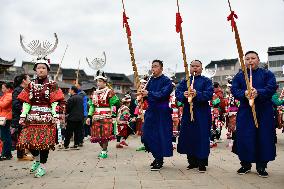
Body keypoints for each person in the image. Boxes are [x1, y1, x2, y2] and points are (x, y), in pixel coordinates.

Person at [231, 51, 277, 178]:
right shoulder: (240, 76)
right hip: (246, 111)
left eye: (253, 58)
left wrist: (258, 92)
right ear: (244, 61)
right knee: (245, 136)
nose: (250, 61)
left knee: (264, 137)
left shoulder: (267, 74)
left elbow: (272, 87)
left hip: (264, 110)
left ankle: (261, 166)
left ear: (258, 60)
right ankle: (245, 164)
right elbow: (234, 90)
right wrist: (245, 93)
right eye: (247, 59)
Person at [17, 57, 65, 177]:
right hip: (32, 118)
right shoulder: (30, 85)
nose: (41, 70)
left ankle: (42, 165)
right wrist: (23, 115)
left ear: (47, 70)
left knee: (44, 143)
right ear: (35, 70)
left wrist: (55, 114)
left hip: (47, 118)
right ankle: (37, 160)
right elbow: (26, 102)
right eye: (38, 68)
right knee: (27, 142)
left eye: (43, 68)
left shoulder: (52, 84)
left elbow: (55, 102)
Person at [176, 60, 213, 173]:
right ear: (189, 68)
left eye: (197, 66)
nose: (195, 68)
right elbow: (177, 93)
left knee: (201, 136)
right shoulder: (185, 81)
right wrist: (184, 94)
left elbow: (209, 94)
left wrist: (198, 94)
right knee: (189, 136)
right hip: (188, 112)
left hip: (202, 112)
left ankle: (202, 162)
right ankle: (192, 162)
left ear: (201, 69)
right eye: (192, 66)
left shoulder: (206, 81)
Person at [140, 59, 173, 171]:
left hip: (162, 111)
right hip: (151, 111)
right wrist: (141, 95)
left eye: (155, 66)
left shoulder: (167, 81)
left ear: (161, 68)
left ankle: (159, 159)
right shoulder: (150, 80)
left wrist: (149, 93)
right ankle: (156, 155)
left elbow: (163, 94)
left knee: (159, 135)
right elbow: (146, 95)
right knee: (146, 134)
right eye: (152, 66)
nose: (153, 68)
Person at [86, 70, 119, 159]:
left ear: (105, 82)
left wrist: (113, 116)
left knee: (105, 135)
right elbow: (92, 106)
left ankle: (104, 151)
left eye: (100, 81)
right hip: (96, 116)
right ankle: (104, 148)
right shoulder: (94, 93)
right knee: (97, 136)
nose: (98, 83)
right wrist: (89, 116)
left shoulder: (110, 92)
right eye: (97, 81)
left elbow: (114, 104)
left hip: (106, 116)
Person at [12, 74, 33, 160]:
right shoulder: (18, 90)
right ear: (24, 80)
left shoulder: (24, 90)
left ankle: (22, 154)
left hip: (24, 117)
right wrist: (26, 111)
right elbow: (16, 104)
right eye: (29, 79)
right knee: (22, 136)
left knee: (23, 136)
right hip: (20, 117)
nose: (30, 80)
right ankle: (21, 156)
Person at [0, 82, 13, 160]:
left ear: (8, 89)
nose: (2, 89)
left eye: (3, 88)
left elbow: (4, 105)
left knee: (5, 136)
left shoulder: (9, 95)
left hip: (6, 118)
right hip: (4, 117)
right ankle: (7, 153)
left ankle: (6, 154)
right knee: (5, 135)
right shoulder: (6, 95)